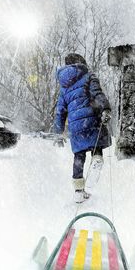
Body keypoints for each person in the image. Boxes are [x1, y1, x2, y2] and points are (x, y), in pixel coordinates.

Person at [54, 53, 112, 203]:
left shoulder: (64, 88)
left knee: (79, 157)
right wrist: (105, 108)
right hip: (91, 120)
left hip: (75, 127)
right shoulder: (88, 76)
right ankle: (97, 158)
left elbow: (60, 111)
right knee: (96, 144)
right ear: (81, 63)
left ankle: (79, 192)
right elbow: (97, 94)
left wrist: (58, 132)